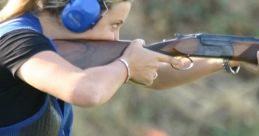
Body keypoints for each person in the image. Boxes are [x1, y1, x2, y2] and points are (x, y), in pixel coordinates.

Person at [0, 0, 235, 135]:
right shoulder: (16, 40)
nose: (116, 38)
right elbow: (85, 91)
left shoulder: (44, 44)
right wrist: (126, 65)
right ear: (80, 14)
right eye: (115, 25)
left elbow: (159, 77)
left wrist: (229, 58)